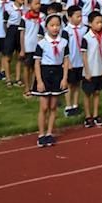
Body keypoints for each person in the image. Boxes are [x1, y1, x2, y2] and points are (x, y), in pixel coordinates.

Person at [32, 14, 69, 148]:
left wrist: (65, 78)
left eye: (57, 25)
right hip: (45, 73)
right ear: (46, 26)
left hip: (58, 74)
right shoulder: (41, 44)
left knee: (53, 106)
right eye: (52, 25)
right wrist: (39, 81)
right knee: (44, 106)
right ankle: (41, 134)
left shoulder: (64, 42)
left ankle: (49, 133)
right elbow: (36, 63)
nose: (55, 28)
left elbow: (65, 60)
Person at [81, 11, 102, 128]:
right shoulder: (86, 38)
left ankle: (96, 115)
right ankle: (88, 116)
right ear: (90, 23)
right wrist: (87, 71)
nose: (99, 25)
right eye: (97, 22)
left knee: (97, 92)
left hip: (99, 69)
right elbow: (84, 55)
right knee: (87, 94)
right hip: (89, 70)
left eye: (101, 22)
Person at [63, 6, 86, 116]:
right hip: (70, 62)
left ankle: (76, 105)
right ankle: (68, 105)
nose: (80, 18)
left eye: (81, 16)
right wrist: (68, 63)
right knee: (69, 84)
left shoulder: (84, 29)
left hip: (81, 61)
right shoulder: (66, 31)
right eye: (77, 16)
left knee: (77, 84)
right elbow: (65, 48)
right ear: (70, 17)